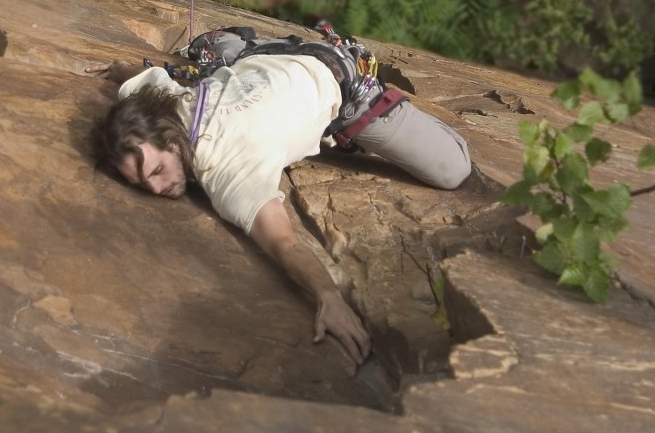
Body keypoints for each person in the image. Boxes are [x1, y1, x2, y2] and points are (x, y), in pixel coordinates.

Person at [88, 28, 472, 365]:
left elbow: (284, 242)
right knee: (221, 66)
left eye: (156, 171)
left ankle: (232, 46)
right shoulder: (168, 106)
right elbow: (141, 82)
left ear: (173, 143)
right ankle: (228, 43)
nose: (156, 189)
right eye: (142, 184)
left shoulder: (225, 168)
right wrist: (120, 69)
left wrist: (328, 298)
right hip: (266, 63)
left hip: (348, 88)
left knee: (454, 170)